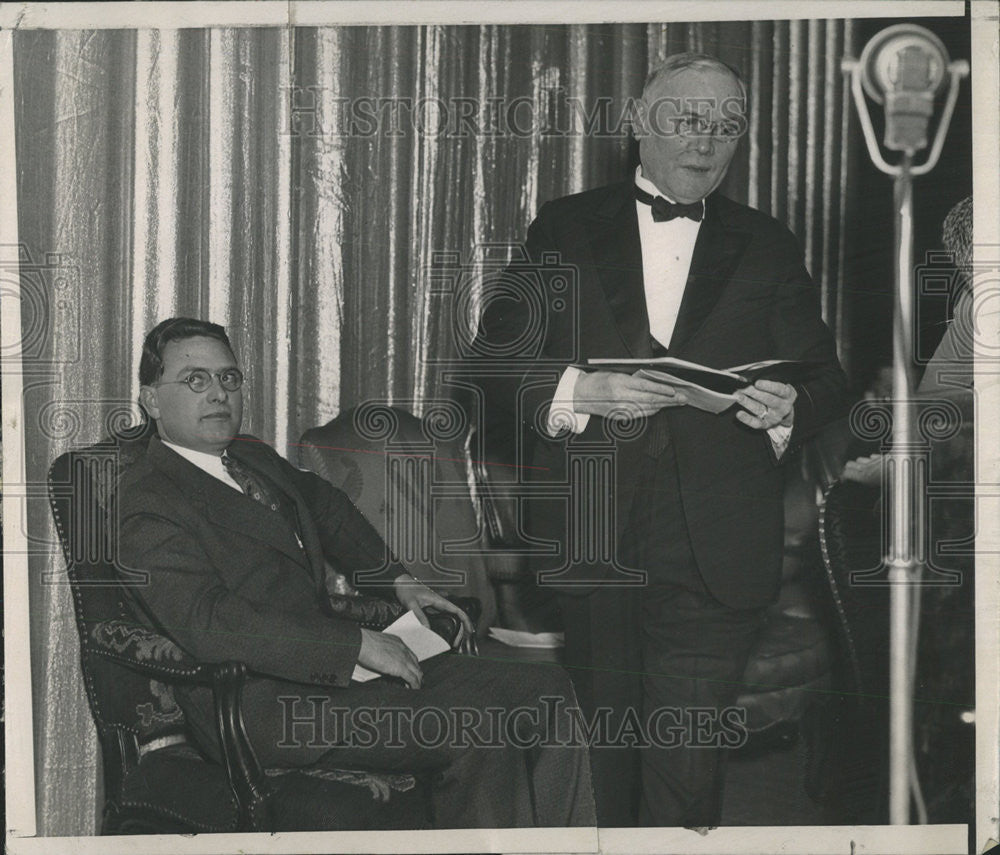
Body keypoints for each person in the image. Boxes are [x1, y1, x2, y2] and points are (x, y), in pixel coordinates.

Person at [471, 53, 848, 827]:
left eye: (727, 126)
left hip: (717, 542)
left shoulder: (767, 242)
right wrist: (585, 390)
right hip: (594, 534)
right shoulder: (565, 226)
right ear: (639, 122)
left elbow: (825, 380)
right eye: (687, 119)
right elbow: (493, 363)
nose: (706, 142)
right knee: (606, 748)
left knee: (684, 757)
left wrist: (787, 405)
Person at [118, 316, 596, 829]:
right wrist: (355, 647)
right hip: (262, 704)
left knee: (548, 692)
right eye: (195, 379)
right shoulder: (148, 500)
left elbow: (327, 508)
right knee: (480, 729)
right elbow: (210, 622)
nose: (217, 393)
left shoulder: (251, 456)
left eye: (228, 378)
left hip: (343, 677)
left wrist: (396, 579)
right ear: (150, 399)